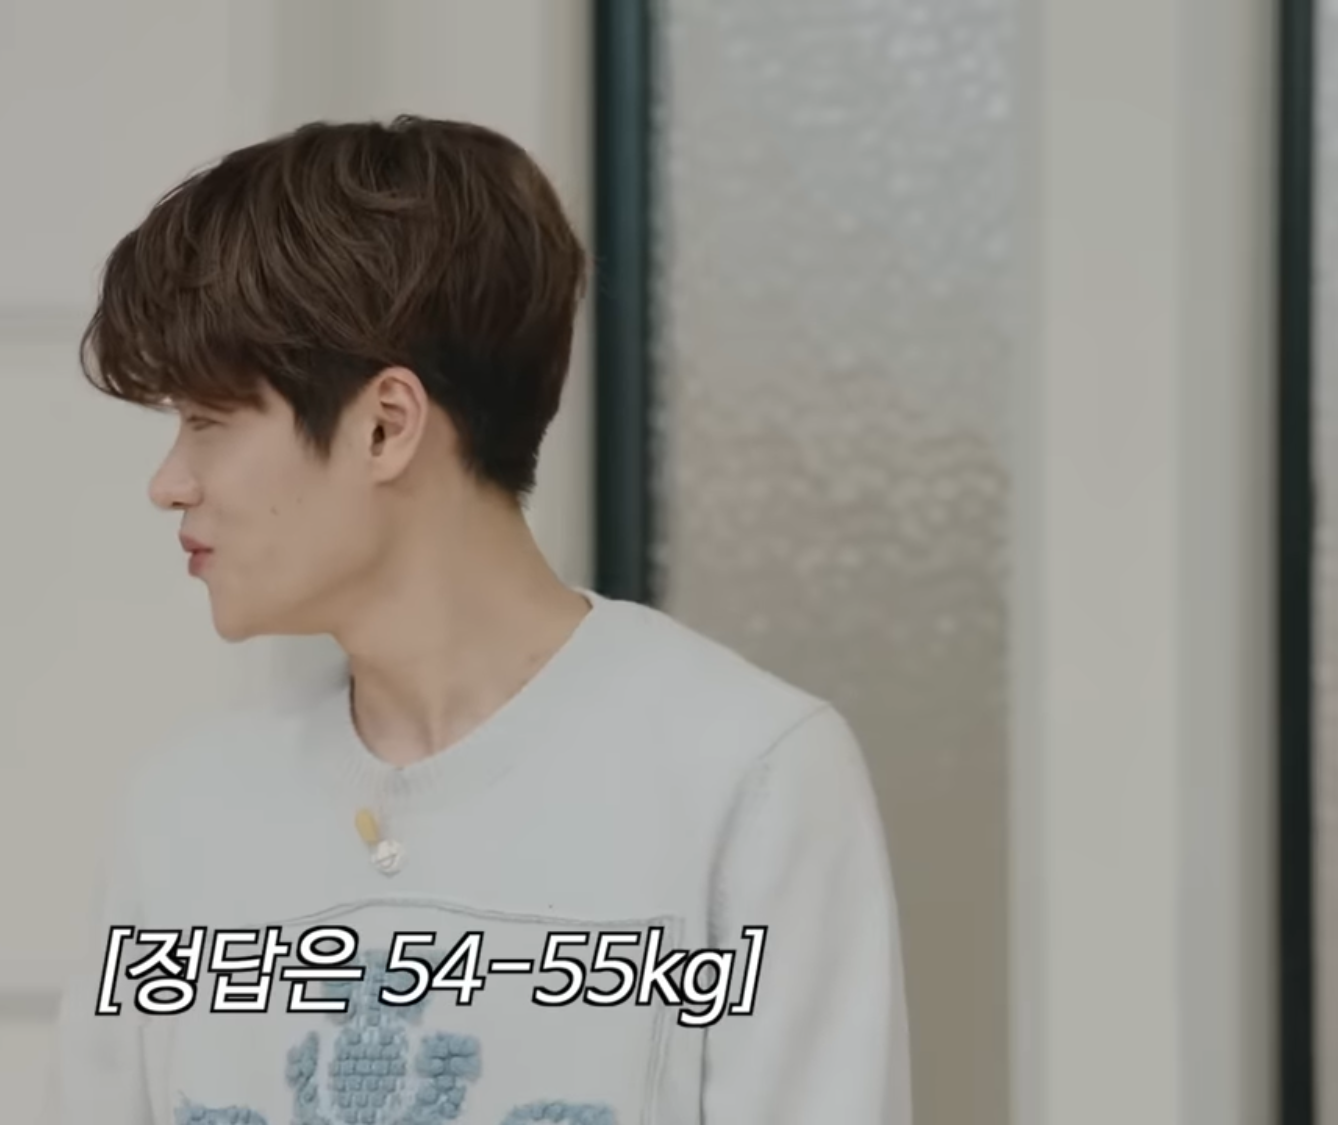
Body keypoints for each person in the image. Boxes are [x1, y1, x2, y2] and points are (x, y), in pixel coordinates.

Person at [50, 115, 909, 1124]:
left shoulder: (746, 778)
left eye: (207, 420)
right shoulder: (182, 815)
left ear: (386, 425)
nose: (169, 482)